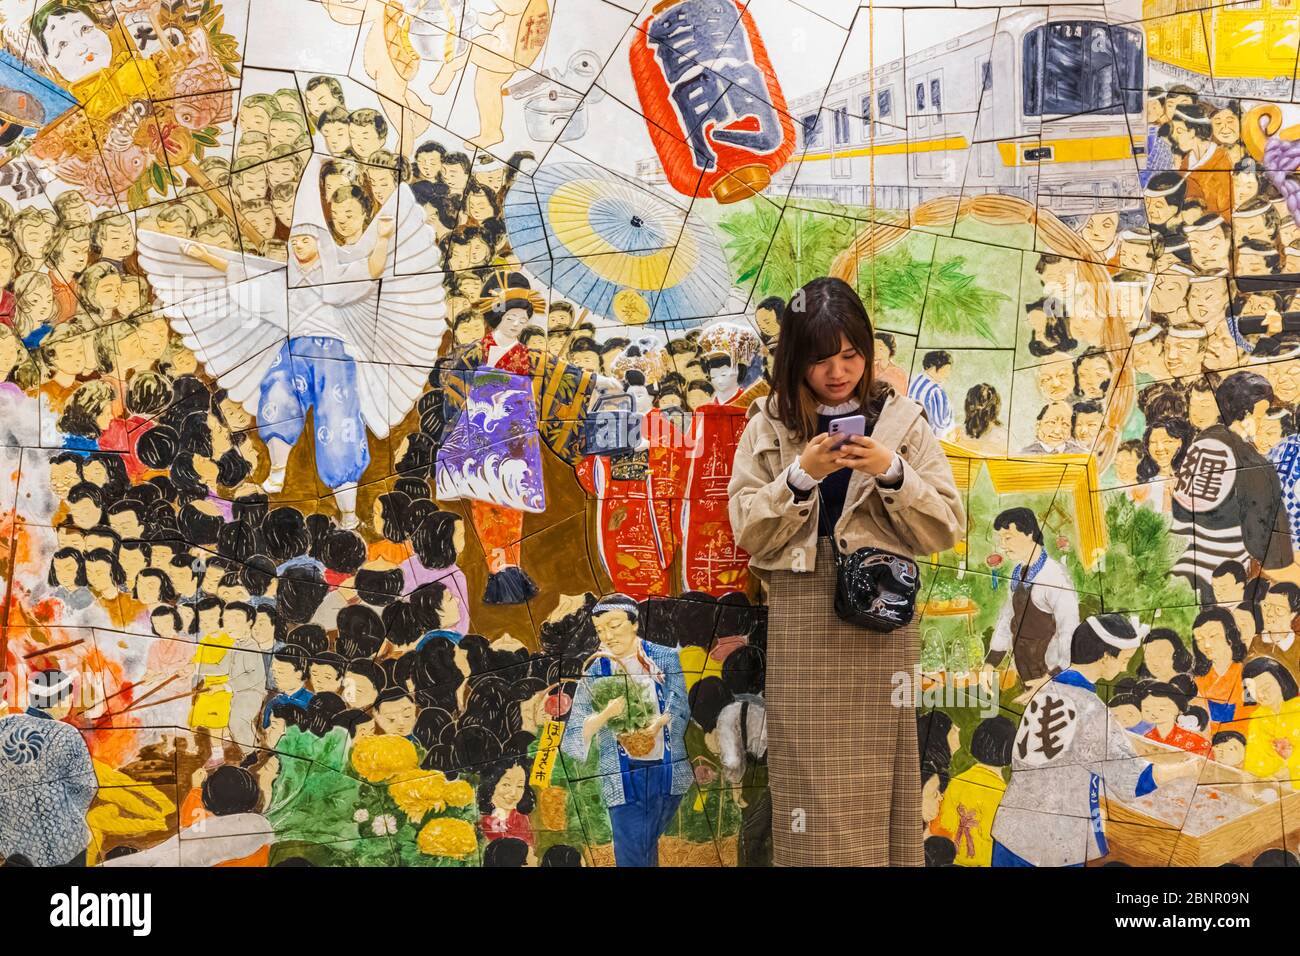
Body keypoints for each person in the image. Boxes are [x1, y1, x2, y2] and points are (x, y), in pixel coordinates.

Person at [727, 276, 963, 865]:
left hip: (879, 633)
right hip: (802, 631)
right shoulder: (767, 424)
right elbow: (748, 533)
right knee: (807, 783)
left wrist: (893, 472)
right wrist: (799, 477)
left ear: (867, 351)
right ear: (794, 361)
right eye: (820, 359)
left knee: (878, 780)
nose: (838, 372)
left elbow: (947, 528)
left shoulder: (903, 422)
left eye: (850, 355)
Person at [990, 615, 1201, 867]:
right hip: (1053, 847)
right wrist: (1185, 769)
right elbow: (1134, 781)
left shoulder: (1047, 690)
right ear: (1104, 657)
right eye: (1123, 660)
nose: (1124, 668)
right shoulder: (1092, 710)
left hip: (1012, 830)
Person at [560, 594, 691, 867]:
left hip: (667, 772)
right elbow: (574, 733)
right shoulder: (597, 669)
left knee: (642, 847)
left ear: (634, 623)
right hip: (623, 776)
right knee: (633, 852)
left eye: (614, 625)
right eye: (599, 630)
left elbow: (680, 706)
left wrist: (656, 726)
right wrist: (606, 715)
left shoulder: (664, 658)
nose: (606, 636)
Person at [0, 669, 98, 866]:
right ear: (59, 699)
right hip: (64, 845)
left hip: (14, 843)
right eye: (69, 697)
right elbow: (87, 786)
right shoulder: (66, 734)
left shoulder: (3, 726)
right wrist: (62, 813)